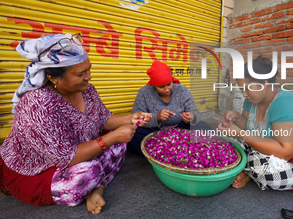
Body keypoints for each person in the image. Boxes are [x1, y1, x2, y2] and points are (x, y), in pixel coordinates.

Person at [0, 34, 152, 214]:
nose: (89, 76)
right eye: (80, 74)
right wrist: (112, 137)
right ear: (54, 77)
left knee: (121, 142)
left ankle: (97, 188)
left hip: (77, 151)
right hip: (37, 170)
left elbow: (104, 118)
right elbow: (66, 158)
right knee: (88, 171)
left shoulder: (86, 89)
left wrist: (131, 118)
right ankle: (93, 184)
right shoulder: (38, 104)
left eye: (89, 69)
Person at [218, 55, 293, 191]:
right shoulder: (251, 100)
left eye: (247, 88)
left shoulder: (286, 103)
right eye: (241, 90)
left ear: (265, 83)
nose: (244, 94)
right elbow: (248, 127)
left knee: (263, 170)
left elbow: (286, 152)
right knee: (226, 140)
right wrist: (238, 117)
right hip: (273, 149)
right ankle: (247, 170)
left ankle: (248, 171)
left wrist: (240, 133)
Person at [127, 60, 212, 155]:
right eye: (161, 87)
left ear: (172, 80)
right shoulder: (144, 93)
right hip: (154, 132)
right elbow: (137, 119)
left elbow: (195, 112)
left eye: (169, 84)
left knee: (205, 128)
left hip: (180, 130)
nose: (166, 89)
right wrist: (157, 117)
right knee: (133, 134)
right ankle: (179, 148)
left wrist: (192, 117)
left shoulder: (182, 90)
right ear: (154, 85)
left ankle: (164, 149)